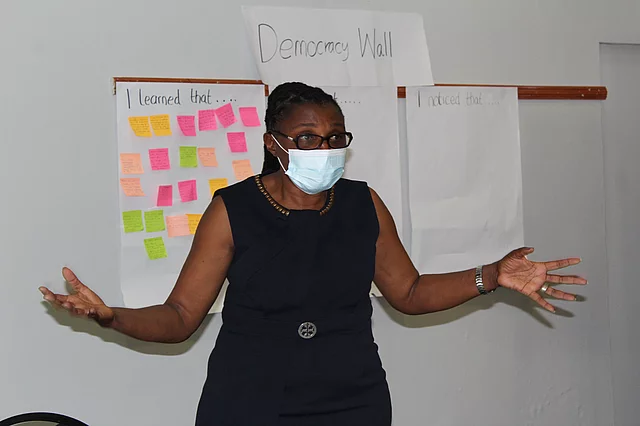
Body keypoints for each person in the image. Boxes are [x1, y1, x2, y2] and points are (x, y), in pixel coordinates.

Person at [39, 82, 586, 425]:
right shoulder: (233, 209)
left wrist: (492, 275)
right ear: (274, 143)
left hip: (352, 401)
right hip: (249, 404)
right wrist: (111, 317)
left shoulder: (363, 204)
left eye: (334, 137)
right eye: (306, 138)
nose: (323, 149)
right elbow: (181, 317)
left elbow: (410, 292)